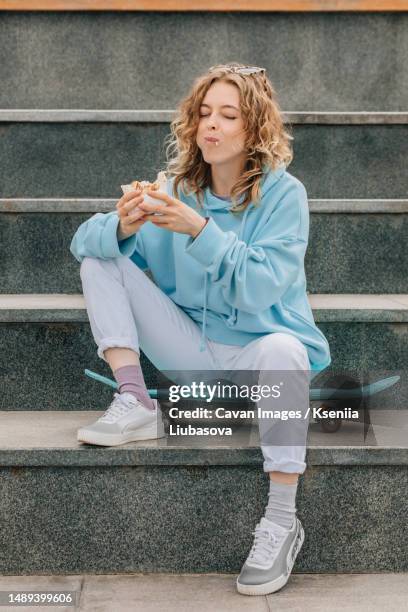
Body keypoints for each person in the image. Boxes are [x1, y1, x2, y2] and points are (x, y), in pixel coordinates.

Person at [70, 62, 331, 596]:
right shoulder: (175, 191)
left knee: (286, 350)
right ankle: (135, 400)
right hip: (190, 354)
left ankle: (281, 521)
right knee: (102, 259)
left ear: (254, 129)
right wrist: (123, 224)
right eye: (204, 113)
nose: (210, 125)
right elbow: (83, 243)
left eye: (228, 115)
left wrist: (201, 231)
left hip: (258, 363)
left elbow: (259, 288)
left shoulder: (285, 196)